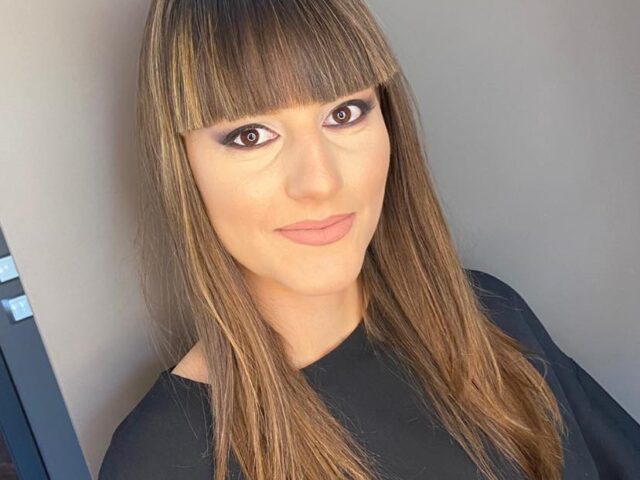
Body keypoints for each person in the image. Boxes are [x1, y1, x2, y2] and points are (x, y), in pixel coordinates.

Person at [99, 0, 640, 479]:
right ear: (182, 164)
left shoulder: (487, 316)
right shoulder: (164, 459)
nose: (320, 181)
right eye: (250, 135)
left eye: (344, 113)